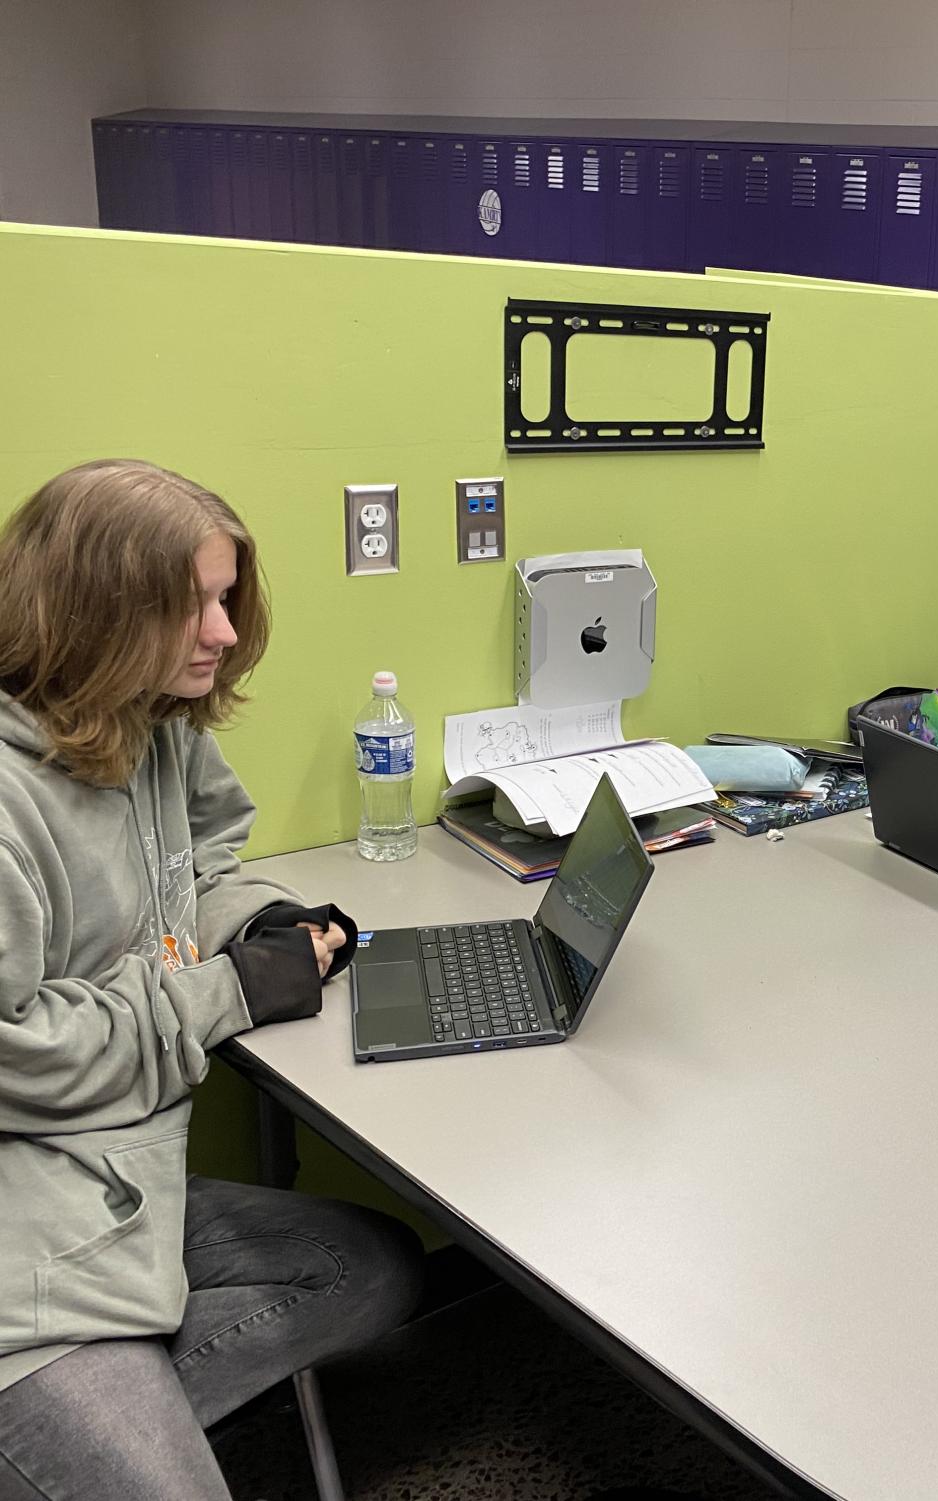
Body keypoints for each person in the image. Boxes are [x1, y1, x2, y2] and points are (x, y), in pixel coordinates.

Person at [0, 460, 424, 1498]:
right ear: (92, 609)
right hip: (24, 1240)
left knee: (374, 1271)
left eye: (226, 597)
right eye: (191, 605)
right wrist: (231, 989)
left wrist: (274, 929)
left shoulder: (148, 725)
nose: (225, 633)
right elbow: (18, 1050)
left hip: (115, 1180)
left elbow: (204, 868)